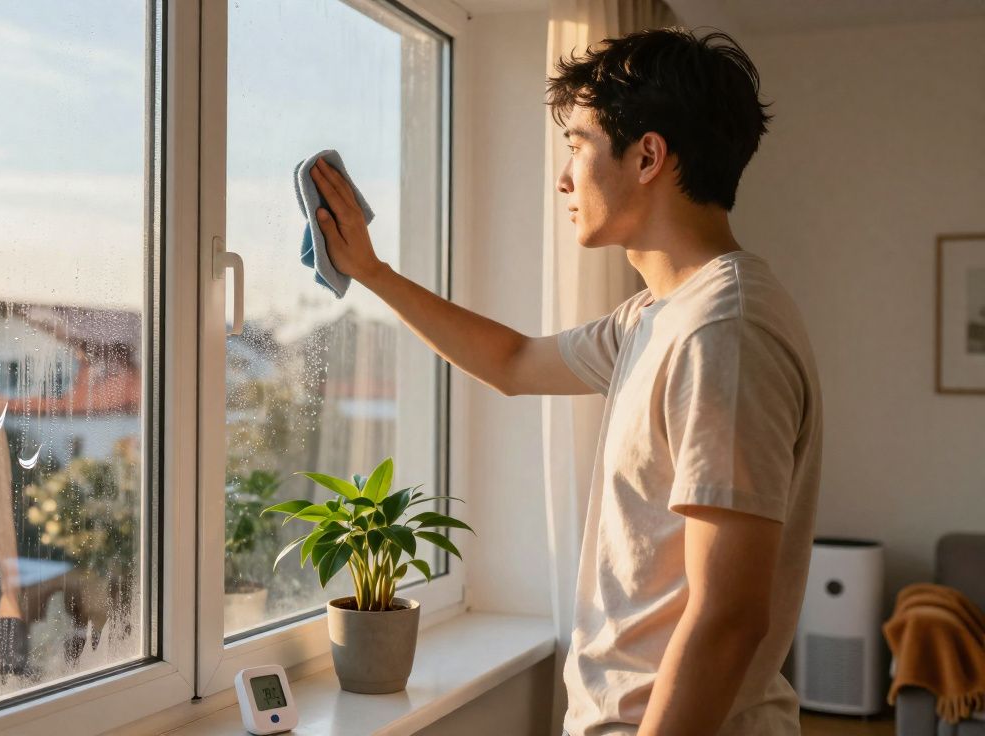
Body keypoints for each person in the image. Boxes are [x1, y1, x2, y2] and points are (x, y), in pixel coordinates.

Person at [308, 26, 822, 736]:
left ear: (648, 156)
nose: (563, 177)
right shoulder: (657, 316)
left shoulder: (722, 335)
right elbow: (514, 363)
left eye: (577, 145)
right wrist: (373, 272)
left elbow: (728, 617)